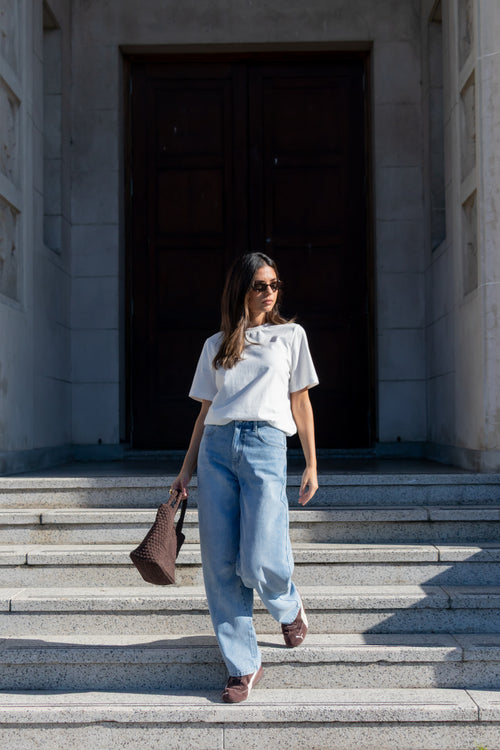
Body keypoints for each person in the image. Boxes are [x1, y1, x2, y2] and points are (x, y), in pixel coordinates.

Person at [171, 252, 319, 703]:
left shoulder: (290, 336)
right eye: (260, 285)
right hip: (217, 450)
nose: (269, 292)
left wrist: (312, 463)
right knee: (219, 562)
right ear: (241, 289)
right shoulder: (216, 344)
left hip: (265, 446)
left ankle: (288, 604)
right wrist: (185, 470)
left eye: (274, 283)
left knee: (259, 555)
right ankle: (242, 664)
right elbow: (204, 413)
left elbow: (300, 403)